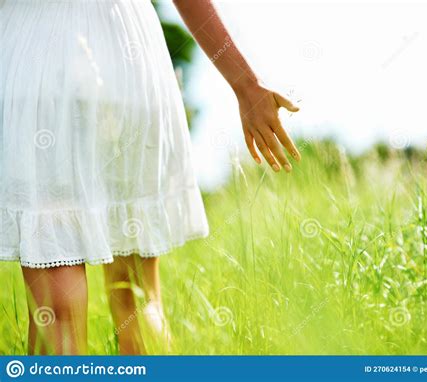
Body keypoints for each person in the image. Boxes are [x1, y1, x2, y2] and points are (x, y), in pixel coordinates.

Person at [0, 0, 301, 355]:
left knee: (57, 309)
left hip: (37, 69)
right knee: (138, 300)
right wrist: (246, 83)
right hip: (128, 65)